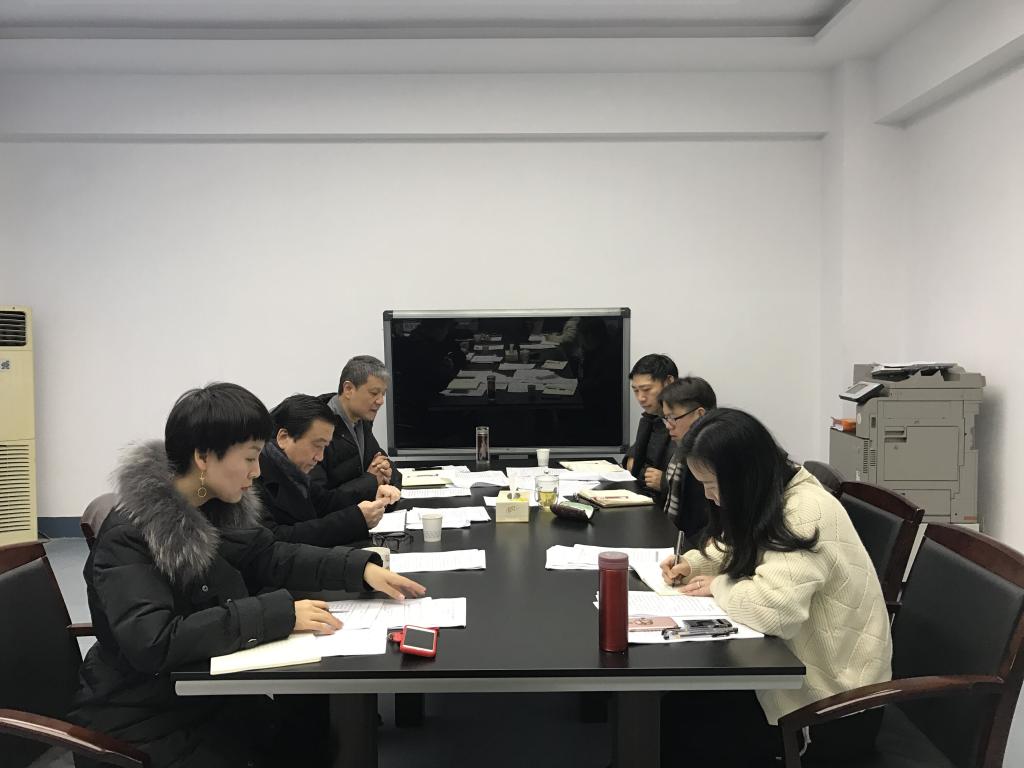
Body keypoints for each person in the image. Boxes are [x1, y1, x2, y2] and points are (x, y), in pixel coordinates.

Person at [70, 383, 425, 768]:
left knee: (314, 730)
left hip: (207, 696)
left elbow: (271, 554)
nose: (256, 472)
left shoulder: (208, 505)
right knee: (305, 736)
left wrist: (360, 568)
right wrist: (280, 614)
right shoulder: (130, 536)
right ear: (203, 457)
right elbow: (154, 642)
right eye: (250, 458)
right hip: (145, 716)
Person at [659, 408, 892, 766]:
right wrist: (694, 564)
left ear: (743, 476)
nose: (710, 496)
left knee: (681, 725)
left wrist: (720, 585)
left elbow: (774, 612)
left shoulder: (805, 512)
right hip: (800, 679)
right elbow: (742, 546)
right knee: (676, 707)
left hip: (830, 707)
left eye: (713, 485)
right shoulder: (778, 492)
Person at [257, 394, 401, 546]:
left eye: (324, 447)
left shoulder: (293, 472)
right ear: (284, 437)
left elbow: (326, 504)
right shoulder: (254, 479)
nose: (320, 457)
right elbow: (276, 539)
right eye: (317, 445)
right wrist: (356, 520)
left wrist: (373, 496)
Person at [312, 355, 402, 505]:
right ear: (348, 389)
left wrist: (387, 472)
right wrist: (371, 480)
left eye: (383, 394)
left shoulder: (361, 421)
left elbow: (386, 466)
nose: (381, 401)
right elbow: (319, 502)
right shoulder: (317, 430)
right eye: (374, 393)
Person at [657, 377, 716, 548]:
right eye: (665, 418)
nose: (668, 426)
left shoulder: (712, 455)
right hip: (681, 540)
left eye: (673, 417)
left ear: (700, 414)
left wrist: (685, 552)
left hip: (699, 546)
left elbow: (713, 523)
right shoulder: (680, 451)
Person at [624, 354, 677, 503]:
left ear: (669, 382)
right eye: (636, 390)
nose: (640, 398)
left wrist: (666, 482)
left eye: (646, 389)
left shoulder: (683, 421)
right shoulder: (652, 417)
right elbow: (633, 463)